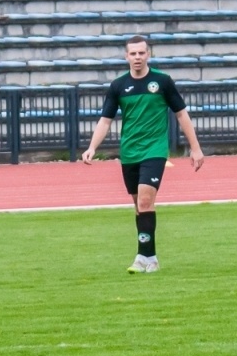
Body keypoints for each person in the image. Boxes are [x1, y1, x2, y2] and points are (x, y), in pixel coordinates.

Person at [81, 35, 205, 273]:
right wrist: (92, 147)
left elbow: (181, 114)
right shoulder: (118, 86)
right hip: (129, 152)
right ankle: (152, 258)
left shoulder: (162, 81)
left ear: (149, 54)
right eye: (133, 53)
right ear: (126, 56)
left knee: (146, 200)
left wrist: (195, 147)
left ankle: (142, 257)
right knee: (140, 207)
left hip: (155, 150)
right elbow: (105, 120)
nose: (137, 57)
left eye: (141, 53)